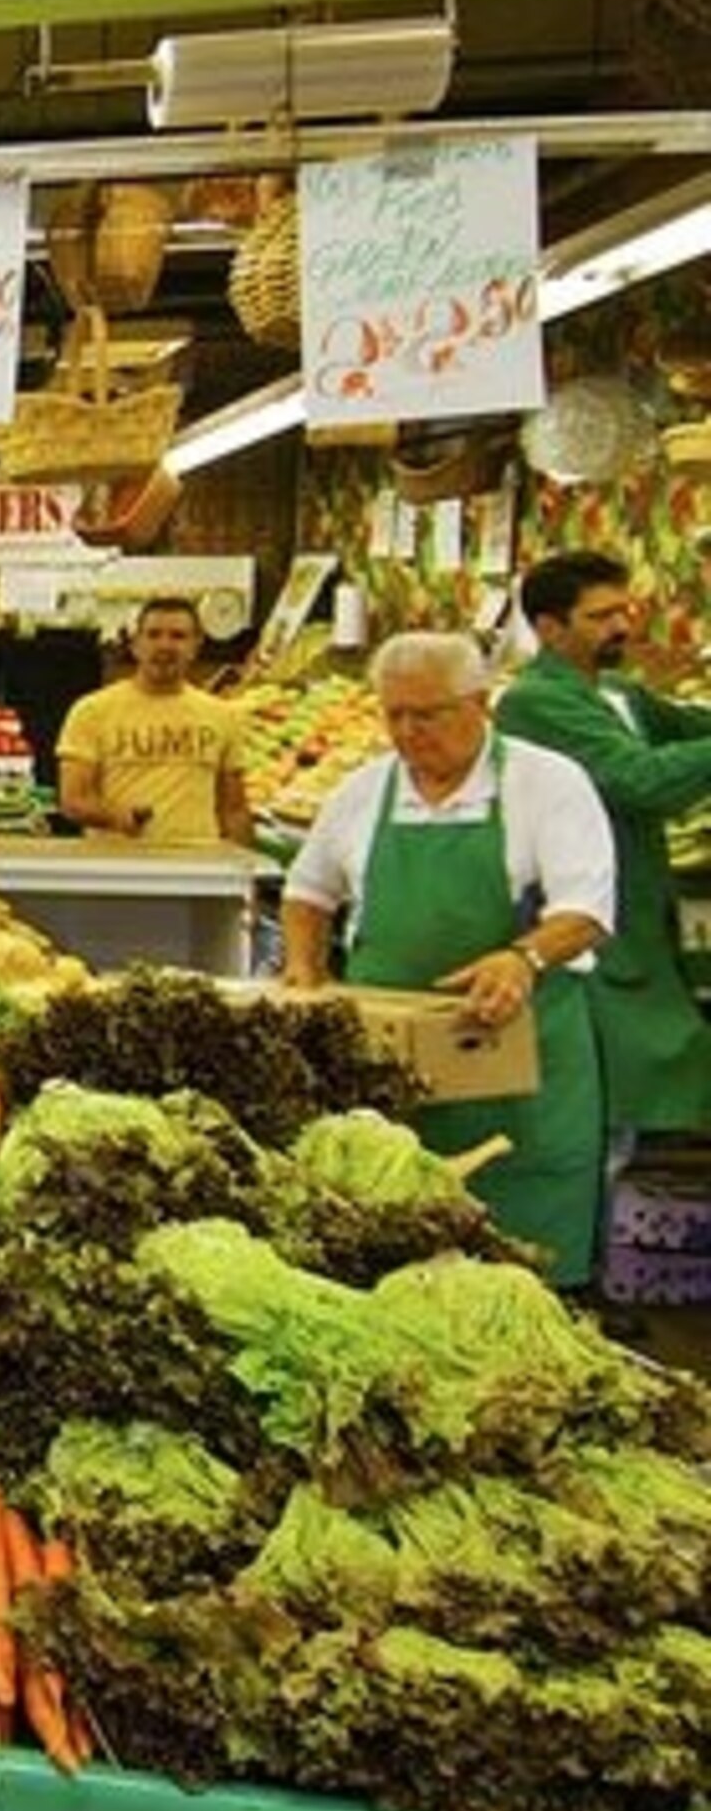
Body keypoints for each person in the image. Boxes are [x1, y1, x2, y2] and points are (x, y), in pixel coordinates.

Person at [278, 631, 615, 1286]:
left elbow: (587, 911)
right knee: (391, 1244)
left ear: (479, 704)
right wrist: (302, 971)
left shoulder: (548, 784)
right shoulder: (363, 791)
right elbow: (307, 890)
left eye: (426, 714)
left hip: (518, 1062)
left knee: (517, 1262)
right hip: (389, 1069)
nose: (408, 732)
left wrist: (521, 959)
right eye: (394, 715)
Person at [491, 549, 711, 1160]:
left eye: (624, 610)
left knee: (631, 1102)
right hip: (581, 929)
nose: (621, 627)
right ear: (549, 627)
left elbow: (688, 728)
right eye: (600, 616)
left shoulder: (617, 693)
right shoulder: (533, 702)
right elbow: (640, 778)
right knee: (597, 1103)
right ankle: (583, 1243)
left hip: (639, 918)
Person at [55, 597, 253, 844]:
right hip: (118, 866)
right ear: (135, 644)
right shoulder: (92, 711)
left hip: (198, 868)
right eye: (153, 634)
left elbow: (234, 810)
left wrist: (245, 869)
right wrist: (116, 817)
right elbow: (73, 800)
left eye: (178, 636)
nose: (165, 645)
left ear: (195, 646)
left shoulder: (222, 715)